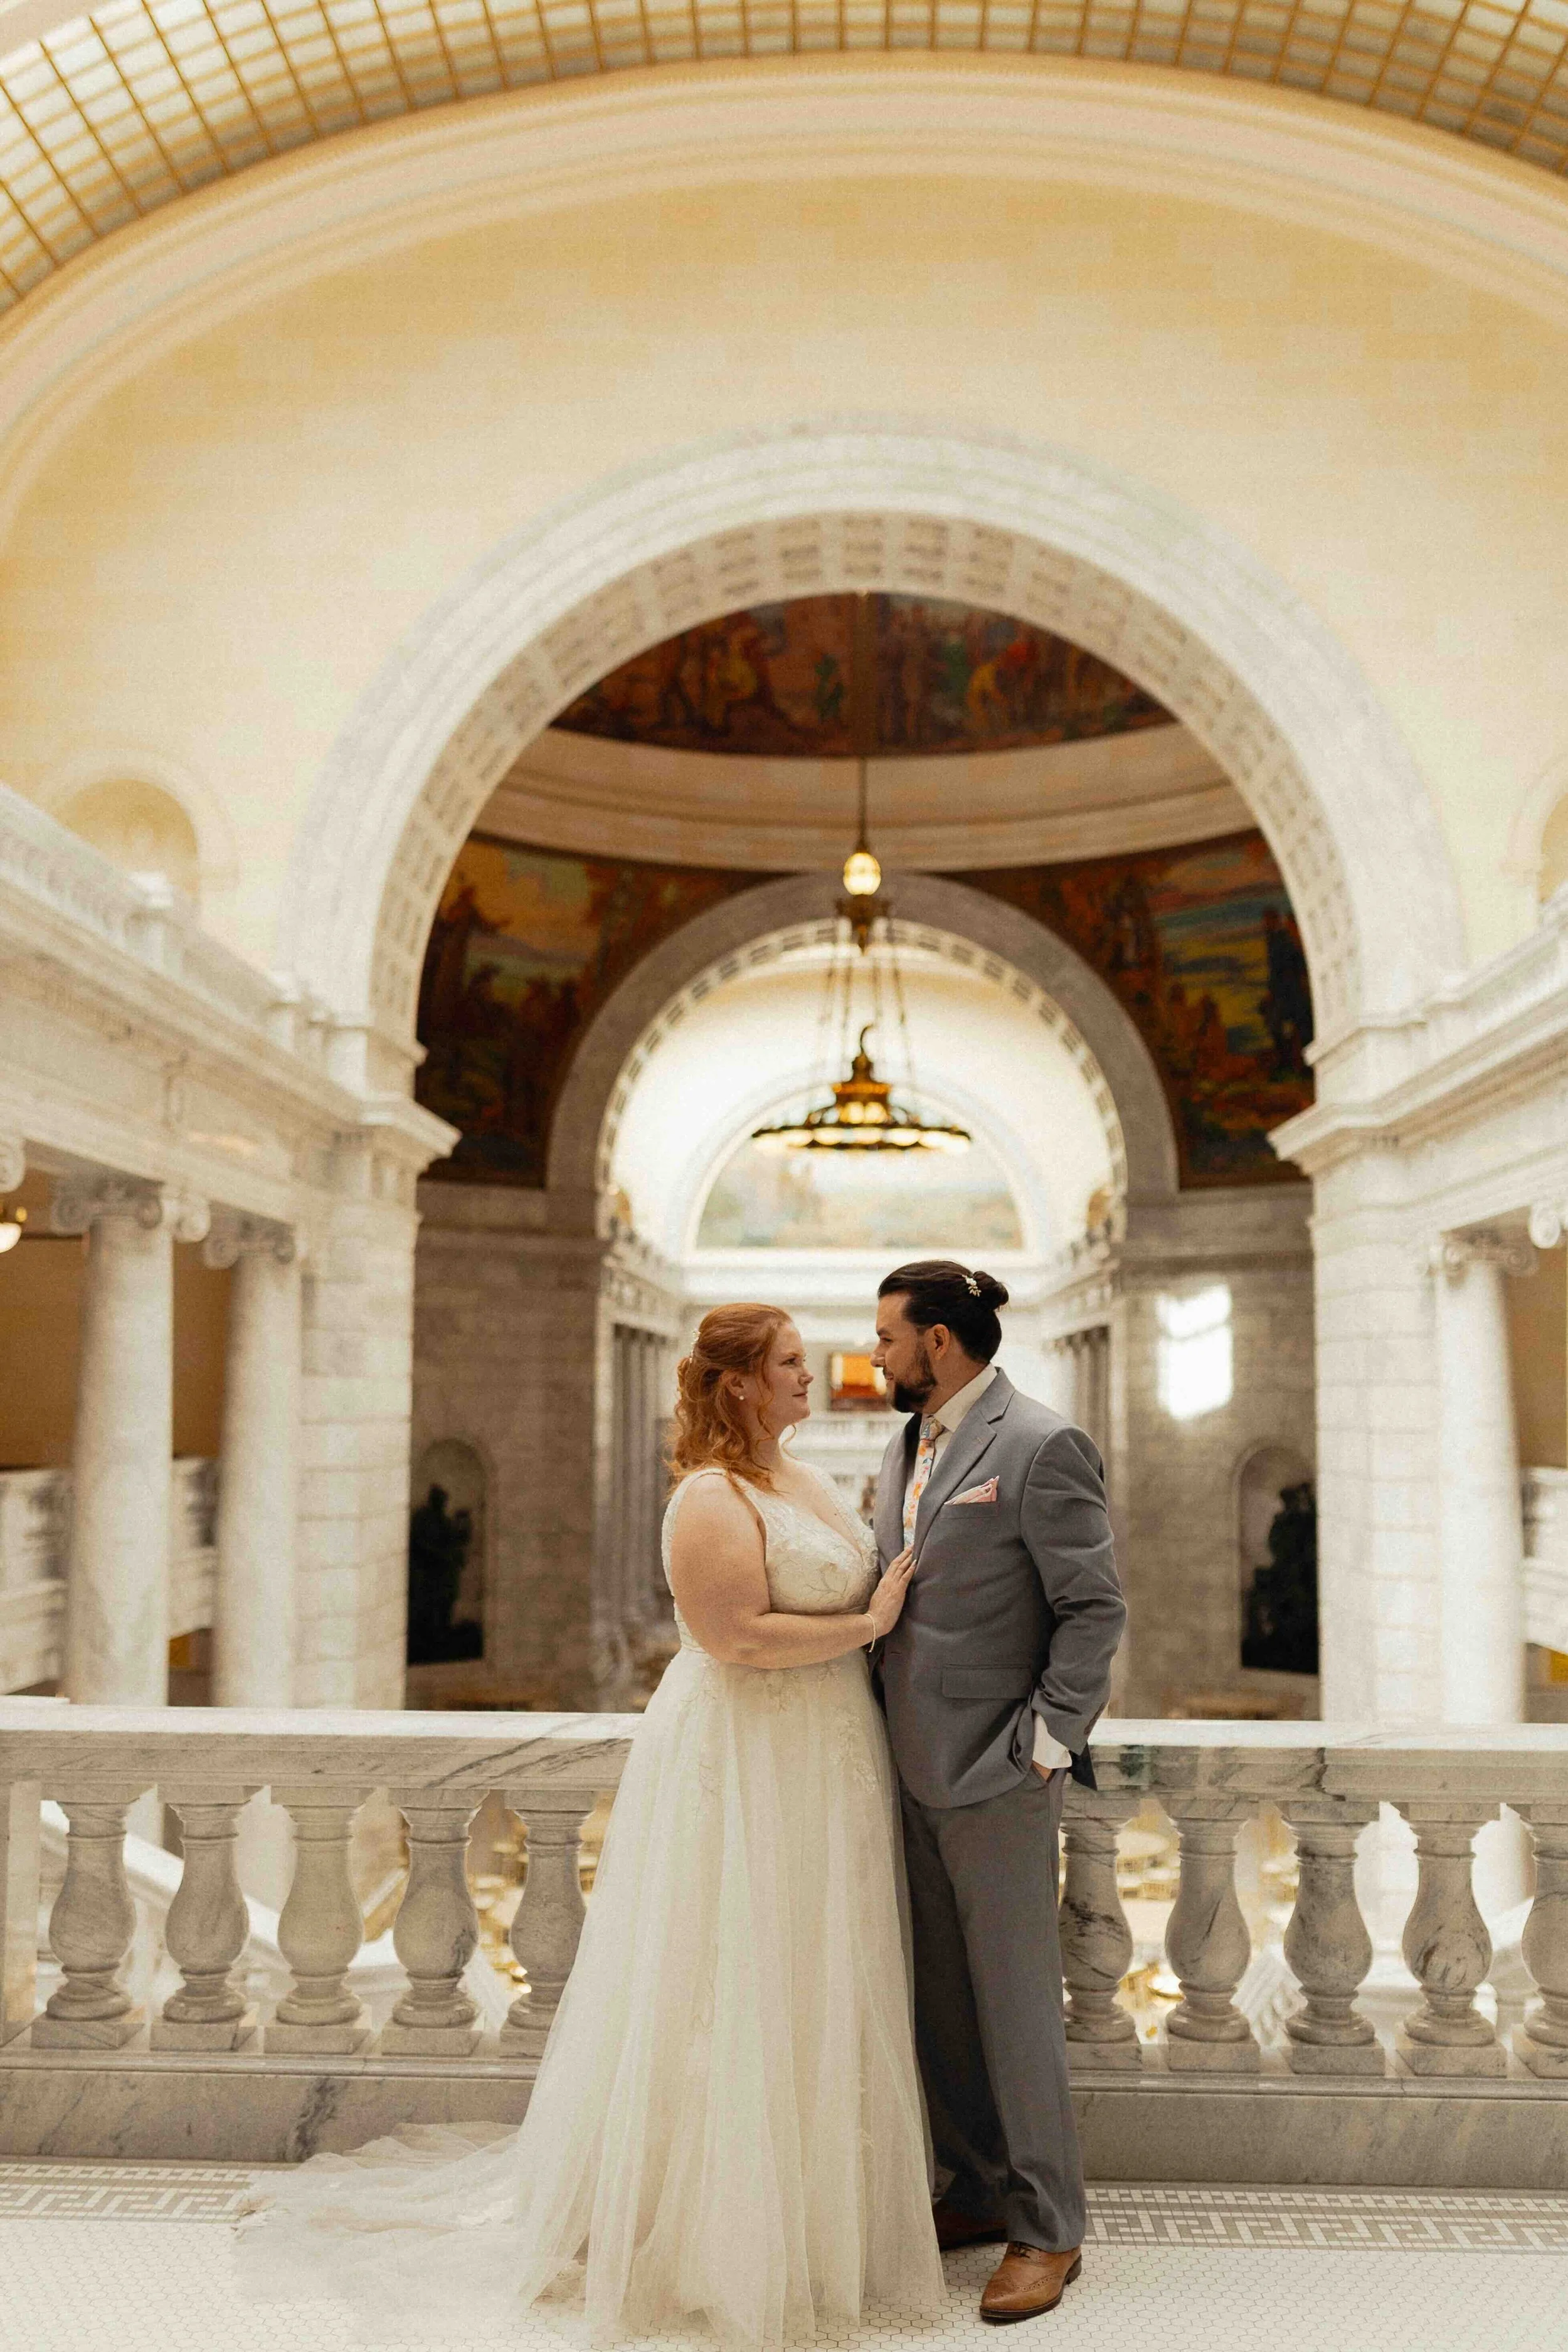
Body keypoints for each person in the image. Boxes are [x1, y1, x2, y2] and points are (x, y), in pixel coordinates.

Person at [236, 1303, 945, 2348]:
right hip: (747, 1755)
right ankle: (706, 2232)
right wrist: (868, 1623)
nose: (815, 1374)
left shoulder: (808, 1478)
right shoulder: (707, 1497)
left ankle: (818, 2217)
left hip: (828, 1756)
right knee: (728, 1972)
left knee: (813, 1963)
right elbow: (735, 1636)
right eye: (793, 1363)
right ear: (742, 1383)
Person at [871, 1259, 1126, 2325]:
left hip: (999, 1774)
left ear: (941, 1340)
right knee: (941, 2001)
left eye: (889, 1335)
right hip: (903, 1768)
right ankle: (973, 2189)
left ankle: (1048, 2227)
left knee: (1018, 2008)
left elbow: (1093, 1609)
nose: (876, 1352)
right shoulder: (905, 1443)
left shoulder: (1040, 1443)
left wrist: (1047, 1746)